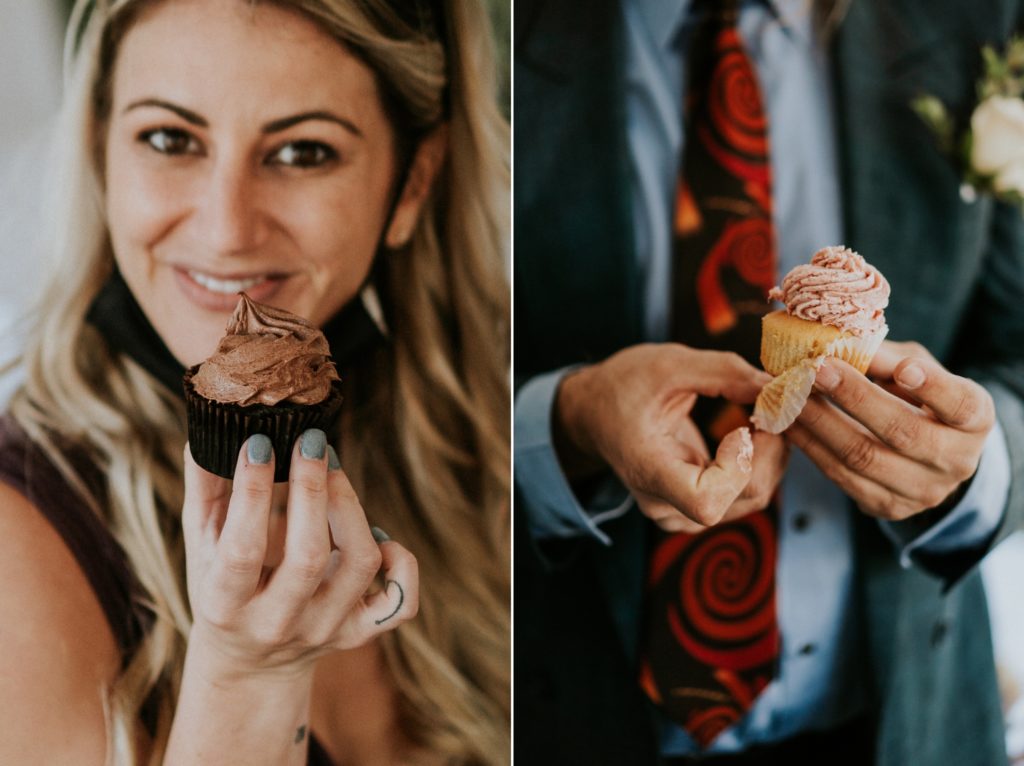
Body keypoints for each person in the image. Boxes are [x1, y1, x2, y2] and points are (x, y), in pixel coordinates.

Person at [514, 0, 1024, 764]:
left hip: (906, 722)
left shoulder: (978, 19)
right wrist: (566, 420)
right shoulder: (502, 38)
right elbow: (433, 365)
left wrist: (975, 465)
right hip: (580, 710)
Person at [0, 0, 510, 763]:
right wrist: (244, 676)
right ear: (101, 153)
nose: (226, 228)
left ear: (411, 185)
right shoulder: (19, 542)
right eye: (170, 139)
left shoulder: (489, 434)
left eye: (303, 152)